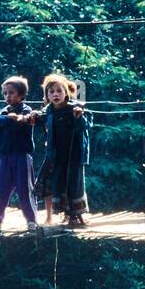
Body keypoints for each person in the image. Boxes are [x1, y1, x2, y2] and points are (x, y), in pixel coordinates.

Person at [0, 76, 38, 231]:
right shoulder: (2, 111)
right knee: (3, 190)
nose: (7, 96)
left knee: (25, 190)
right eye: (5, 93)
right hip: (6, 157)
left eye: (11, 93)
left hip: (22, 156)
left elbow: (14, 121)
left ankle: (31, 220)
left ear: (21, 95)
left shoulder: (26, 110)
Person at [32, 73, 91, 227]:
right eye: (51, 92)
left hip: (74, 154)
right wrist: (33, 116)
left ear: (66, 93)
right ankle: (60, 215)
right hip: (55, 154)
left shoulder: (74, 108)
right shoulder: (49, 110)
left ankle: (77, 215)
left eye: (59, 91)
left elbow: (87, 125)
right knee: (52, 182)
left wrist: (79, 116)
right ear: (47, 95)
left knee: (74, 184)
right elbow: (41, 120)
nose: (55, 94)